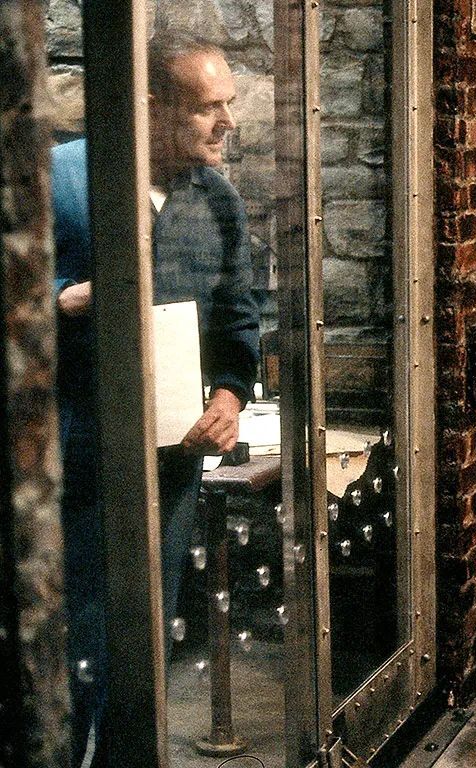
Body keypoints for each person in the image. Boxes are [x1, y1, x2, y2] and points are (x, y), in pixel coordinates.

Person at [51, 31, 260, 768]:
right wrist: (65, 300)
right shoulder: (58, 180)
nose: (227, 122)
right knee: (68, 650)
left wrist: (229, 398)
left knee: (142, 648)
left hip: (170, 465)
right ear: (150, 107)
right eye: (208, 107)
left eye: (228, 104)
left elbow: (237, 324)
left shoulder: (219, 202)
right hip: (69, 463)